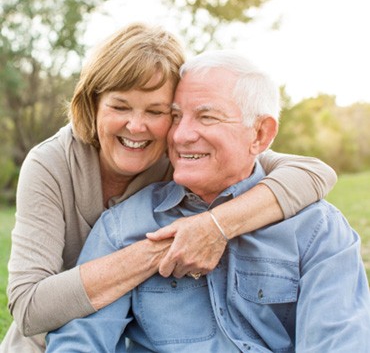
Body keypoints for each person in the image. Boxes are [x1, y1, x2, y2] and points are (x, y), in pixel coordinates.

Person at [1, 23, 337, 353]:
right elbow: (29, 307)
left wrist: (215, 226)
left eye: (157, 111)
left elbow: (312, 172)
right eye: (119, 106)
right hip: (45, 341)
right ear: (93, 104)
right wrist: (172, 244)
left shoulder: (183, 155)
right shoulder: (51, 164)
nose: (136, 126)